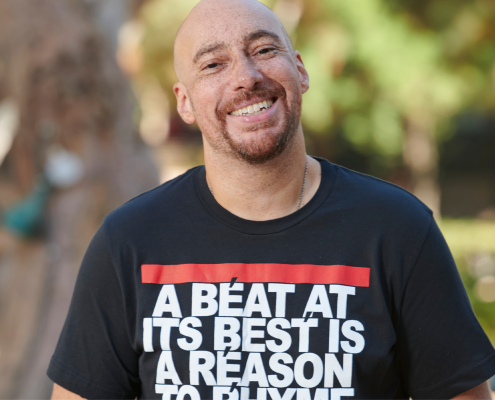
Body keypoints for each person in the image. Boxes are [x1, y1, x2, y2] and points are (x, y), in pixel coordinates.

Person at [48, 0, 495, 399]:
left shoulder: (397, 228)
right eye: (212, 65)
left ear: (300, 70)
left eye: (263, 50)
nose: (246, 77)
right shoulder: (130, 241)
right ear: (184, 103)